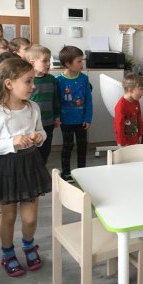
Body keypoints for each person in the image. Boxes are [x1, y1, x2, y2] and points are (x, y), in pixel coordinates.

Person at [0, 58, 51, 277]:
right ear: (9, 84)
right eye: (28, 81)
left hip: (30, 164)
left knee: (30, 218)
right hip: (6, 168)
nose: (33, 86)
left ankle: (28, 246)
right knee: (8, 217)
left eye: (33, 81)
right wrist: (12, 142)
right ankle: (7, 253)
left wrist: (39, 137)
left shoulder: (33, 108)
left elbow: (42, 131)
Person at [55, 46, 92, 182]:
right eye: (79, 61)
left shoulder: (84, 79)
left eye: (82, 60)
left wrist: (88, 118)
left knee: (82, 146)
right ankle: (66, 172)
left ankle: (82, 171)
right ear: (67, 64)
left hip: (81, 121)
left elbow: (88, 100)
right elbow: (56, 101)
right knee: (67, 146)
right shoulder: (58, 80)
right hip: (66, 121)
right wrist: (57, 117)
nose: (82, 64)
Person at [26, 45, 60, 165]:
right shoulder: (27, 81)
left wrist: (57, 116)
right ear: (32, 63)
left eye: (49, 60)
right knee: (31, 152)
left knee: (45, 150)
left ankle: (41, 170)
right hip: (31, 124)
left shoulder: (52, 79)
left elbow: (55, 99)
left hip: (48, 122)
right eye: (44, 61)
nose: (48, 64)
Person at [114, 72, 143, 147]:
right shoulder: (121, 106)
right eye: (141, 89)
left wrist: (140, 135)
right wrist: (122, 143)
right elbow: (118, 126)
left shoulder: (136, 102)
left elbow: (139, 120)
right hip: (125, 143)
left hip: (135, 140)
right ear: (131, 90)